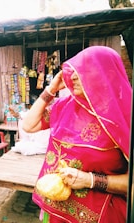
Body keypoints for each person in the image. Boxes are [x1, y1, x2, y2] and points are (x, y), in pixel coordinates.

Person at [23, 46, 131, 223]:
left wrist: (90, 180)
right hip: (54, 209)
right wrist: (50, 90)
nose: (73, 76)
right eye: (73, 70)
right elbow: (28, 125)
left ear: (108, 75)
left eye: (84, 70)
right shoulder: (64, 106)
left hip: (100, 216)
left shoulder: (124, 117)